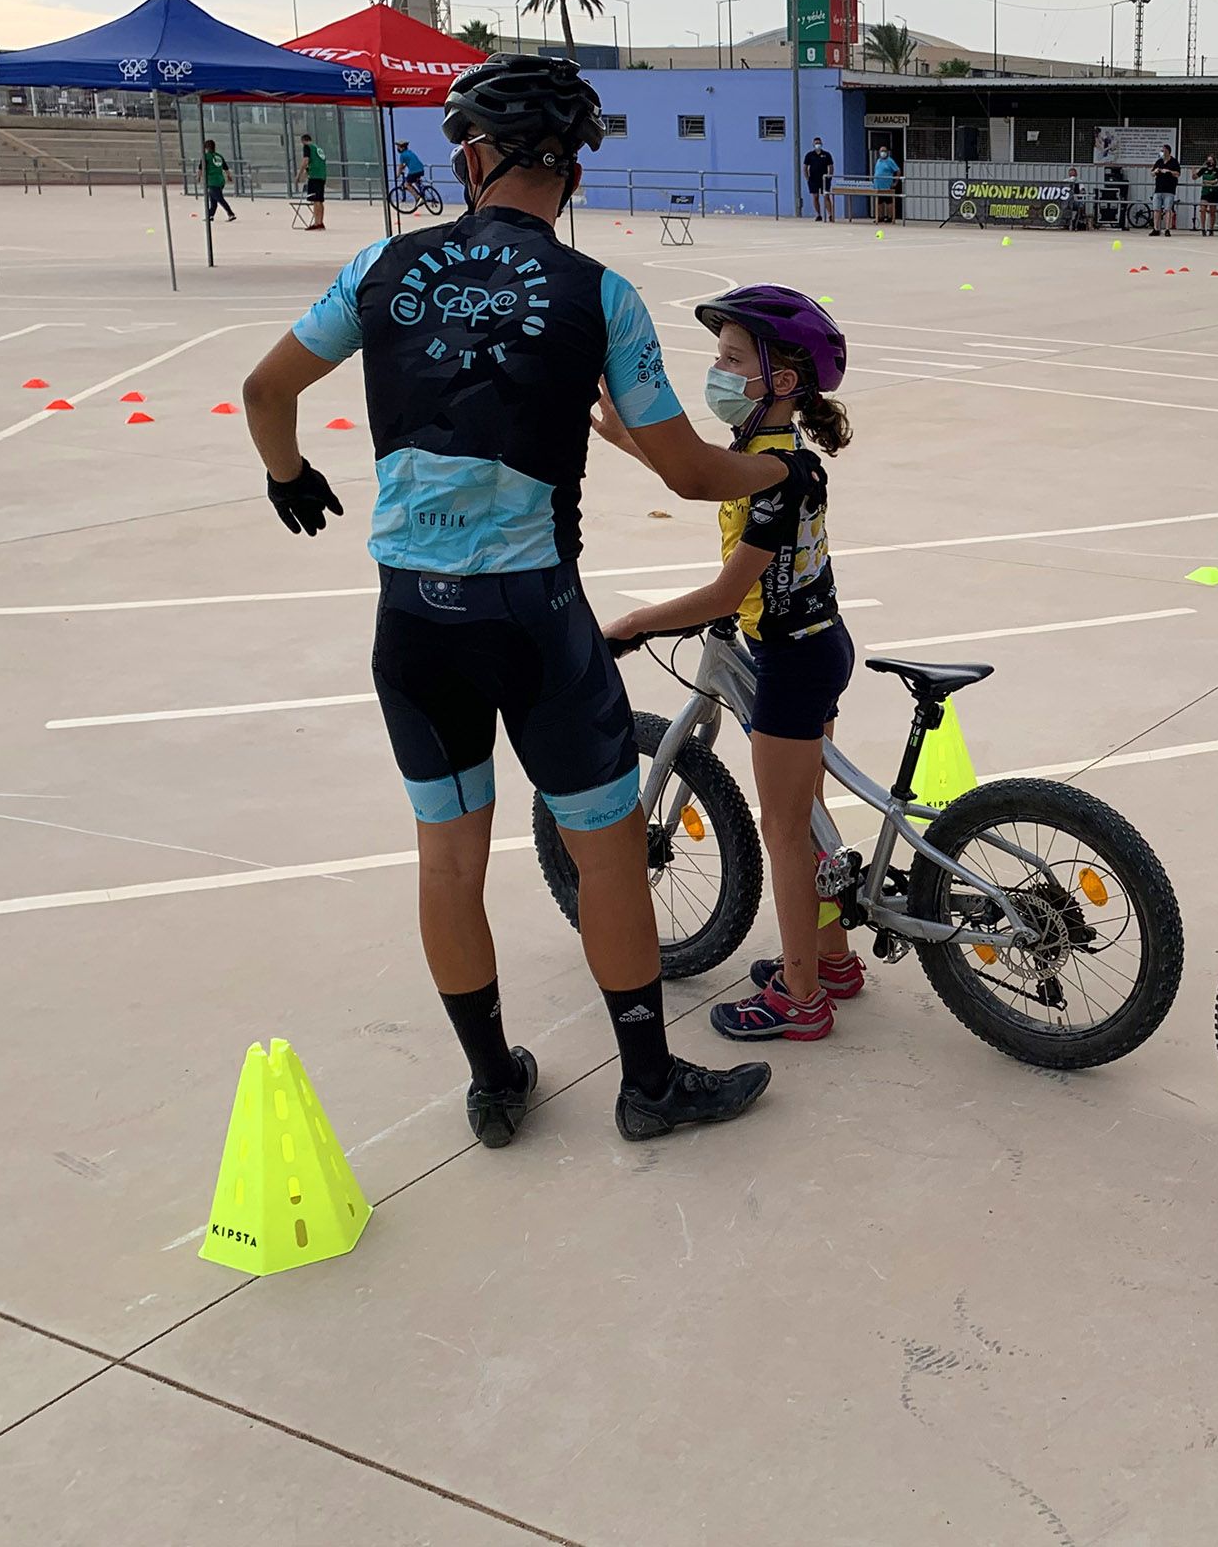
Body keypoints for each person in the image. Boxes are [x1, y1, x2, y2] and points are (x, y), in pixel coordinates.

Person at [239, 55, 809, 1147]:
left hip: (412, 621)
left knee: (448, 855)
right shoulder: (601, 296)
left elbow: (266, 391)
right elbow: (690, 469)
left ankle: (493, 1078)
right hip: (534, 622)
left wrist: (288, 474)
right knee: (603, 847)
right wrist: (779, 473)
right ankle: (646, 1082)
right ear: (572, 170)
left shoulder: (377, 262)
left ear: (474, 156)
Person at [593, 287, 861, 1041]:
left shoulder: (778, 473)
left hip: (792, 663)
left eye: (732, 359)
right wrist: (625, 438)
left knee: (781, 827)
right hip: (818, 642)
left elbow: (726, 589)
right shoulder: (767, 455)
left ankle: (802, 998)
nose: (718, 370)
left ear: (780, 380)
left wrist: (635, 624)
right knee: (807, 812)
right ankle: (832, 956)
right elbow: (702, 472)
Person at [200, 138, 236, 224]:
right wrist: (229, 176)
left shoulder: (205, 157)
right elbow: (226, 168)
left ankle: (230, 213)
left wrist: (199, 177)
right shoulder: (219, 156)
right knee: (213, 199)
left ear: (206, 148)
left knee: (219, 198)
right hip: (220, 180)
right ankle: (210, 215)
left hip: (212, 180)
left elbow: (200, 168)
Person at [297, 132, 327, 231]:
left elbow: (306, 161)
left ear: (303, 141)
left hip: (314, 176)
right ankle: (320, 222)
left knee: (315, 200)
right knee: (320, 199)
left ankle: (317, 222)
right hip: (322, 175)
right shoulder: (318, 148)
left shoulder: (307, 147)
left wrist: (299, 175)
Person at [1149, 143, 1180, 236]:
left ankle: (1167, 229)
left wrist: (1169, 171)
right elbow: (1152, 173)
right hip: (1158, 189)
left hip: (1169, 190)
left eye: (1164, 151)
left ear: (1168, 152)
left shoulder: (1174, 162)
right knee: (1156, 210)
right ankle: (1156, 228)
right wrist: (1156, 171)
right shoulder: (1159, 162)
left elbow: (1178, 173)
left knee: (1167, 210)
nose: (1163, 152)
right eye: (1162, 151)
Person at [804, 136, 835, 223]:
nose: (818, 144)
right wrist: (807, 178)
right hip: (813, 179)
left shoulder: (827, 155)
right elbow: (805, 167)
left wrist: (829, 177)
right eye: (816, 143)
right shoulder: (809, 155)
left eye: (819, 143)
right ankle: (818, 214)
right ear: (813, 144)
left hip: (824, 179)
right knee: (815, 197)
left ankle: (830, 215)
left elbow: (831, 166)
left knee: (826, 196)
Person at [871, 144, 901, 223]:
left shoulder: (890, 161)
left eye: (884, 151)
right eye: (881, 151)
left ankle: (890, 217)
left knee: (889, 202)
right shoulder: (878, 161)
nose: (883, 153)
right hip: (878, 186)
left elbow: (897, 170)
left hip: (887, 185)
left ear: (887, 152)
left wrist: (896, 182)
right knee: (879, 202)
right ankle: (880, 217)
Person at [1195, 153, 1218, 236]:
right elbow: (1195, 177)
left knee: (1212, 211)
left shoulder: (1217, 170)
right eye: (1208, 160)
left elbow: (1216, 181)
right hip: (1205, 192)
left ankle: (1211, 229)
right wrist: (1193, 172)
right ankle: (1203, 228)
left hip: (1213, 192)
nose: (1209, 162)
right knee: (1203, 209)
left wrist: (1207, 182)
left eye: (1211, 160)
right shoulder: (1204, 169)